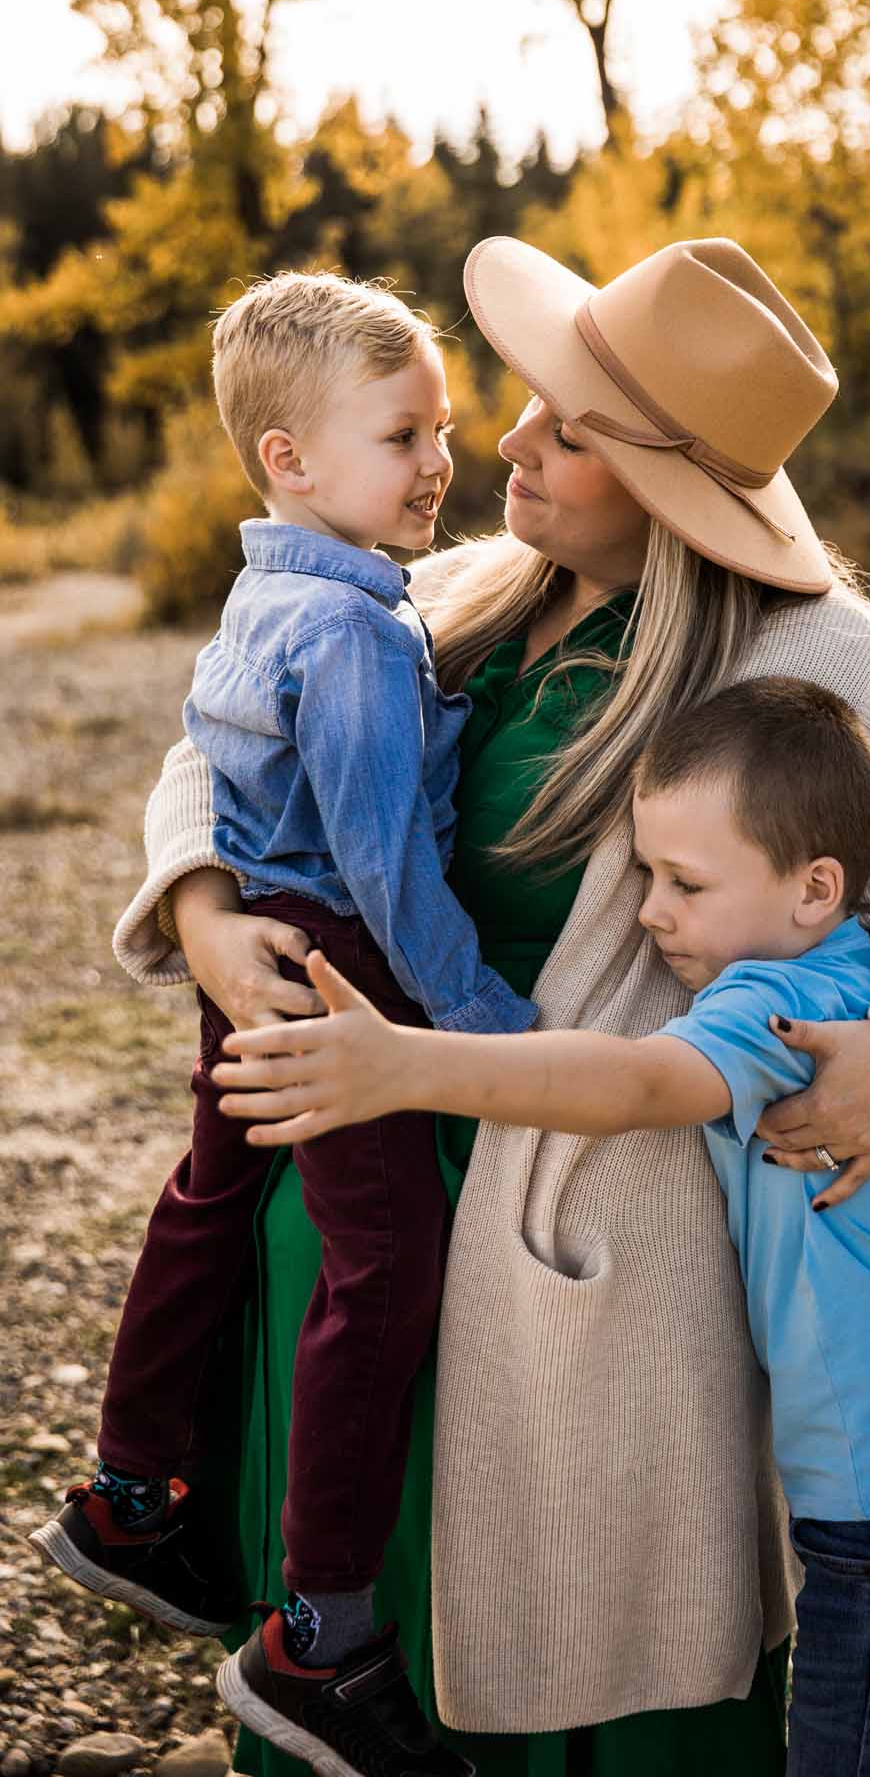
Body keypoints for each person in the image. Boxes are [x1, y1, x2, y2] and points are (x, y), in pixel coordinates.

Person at [109, 234, 870, 1776]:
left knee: (563, 1670)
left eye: (570, 428)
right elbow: (219, 743)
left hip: (569, 1254)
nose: (510, 442)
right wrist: (207, 914)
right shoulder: (457, 588)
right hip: (345, 1195)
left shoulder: (807, 648)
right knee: (350, 1623)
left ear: (673, 489)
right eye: (532, 403)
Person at [215, 672, 870, 1777]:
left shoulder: (789, 1007)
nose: (651, 908)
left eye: (683, 881)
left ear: (815, 886)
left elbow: (638, 1084)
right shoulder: (840, 962)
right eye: (644, 873)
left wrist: (406, 1065)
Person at [36, 272, 537, 1777]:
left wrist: (207, 915)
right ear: (291, 463)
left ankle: (130, 1494)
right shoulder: (360, 639)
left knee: (210, 1189)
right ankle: (320, 1632)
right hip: (329, 964)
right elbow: (386, 869)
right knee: (383, 1269)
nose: (441, 462)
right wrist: (487, 1027)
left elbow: (212, 750)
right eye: (404, 435)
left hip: (249, 934)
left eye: (442, 427)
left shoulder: (268, 593)